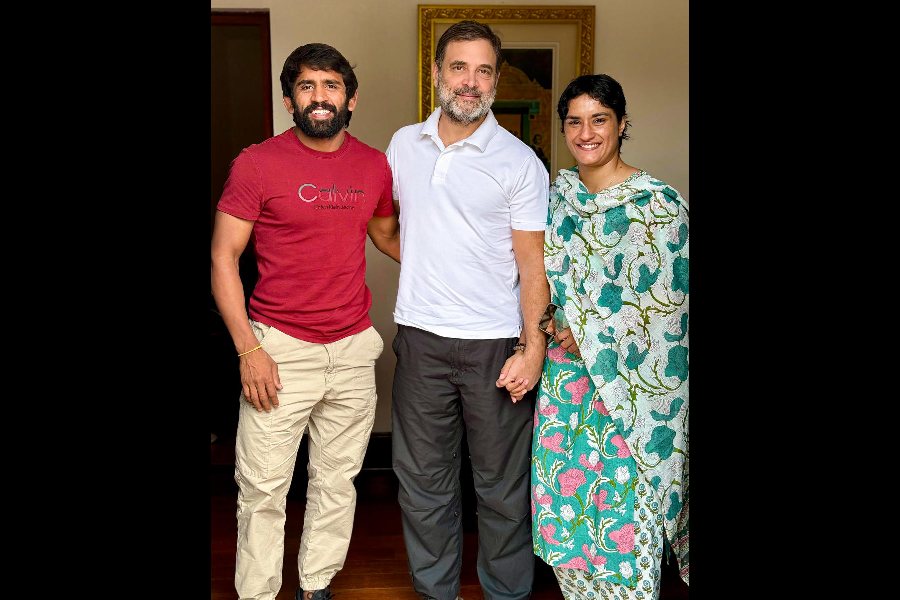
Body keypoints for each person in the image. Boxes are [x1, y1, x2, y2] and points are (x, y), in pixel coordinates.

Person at [210, 42, 400, 600]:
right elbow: (222, 258)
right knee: (264, 487)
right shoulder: (257, 163)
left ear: (351, 98)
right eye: (307, 86)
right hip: (278, 349)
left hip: (352, 348)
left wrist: (469, 271)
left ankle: (315, 585)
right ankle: (259, 593)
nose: (320, 97)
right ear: (290, 99)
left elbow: (388, 236)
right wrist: (249, 351)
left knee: (337, 482)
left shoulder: (373, 165)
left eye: (331, 85)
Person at [385, 19, 550, 600]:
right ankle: (436, 592)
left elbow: (535, 266)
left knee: (502, 490)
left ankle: (505, 593)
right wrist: (434, 265)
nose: (470, 82)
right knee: (422, 484)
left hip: (495, 345)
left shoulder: (520, 162)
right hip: (422, 341)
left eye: (483, 71)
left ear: (497, 80)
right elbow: (388, 229)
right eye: (459, 67)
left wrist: (533, 350)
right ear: (437, 73)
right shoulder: (403, 144)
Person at [527, 74, 689, 600]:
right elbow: (532, 276)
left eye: (599, 120)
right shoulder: (556, 196)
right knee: (566, 512)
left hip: (634, 396)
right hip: (567, 384)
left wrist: (593, 331)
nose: (586, 133)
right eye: (574, 121)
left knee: (624, 511)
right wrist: (555, 321)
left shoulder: (661, 206)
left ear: (621, 124)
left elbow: (673, 306)